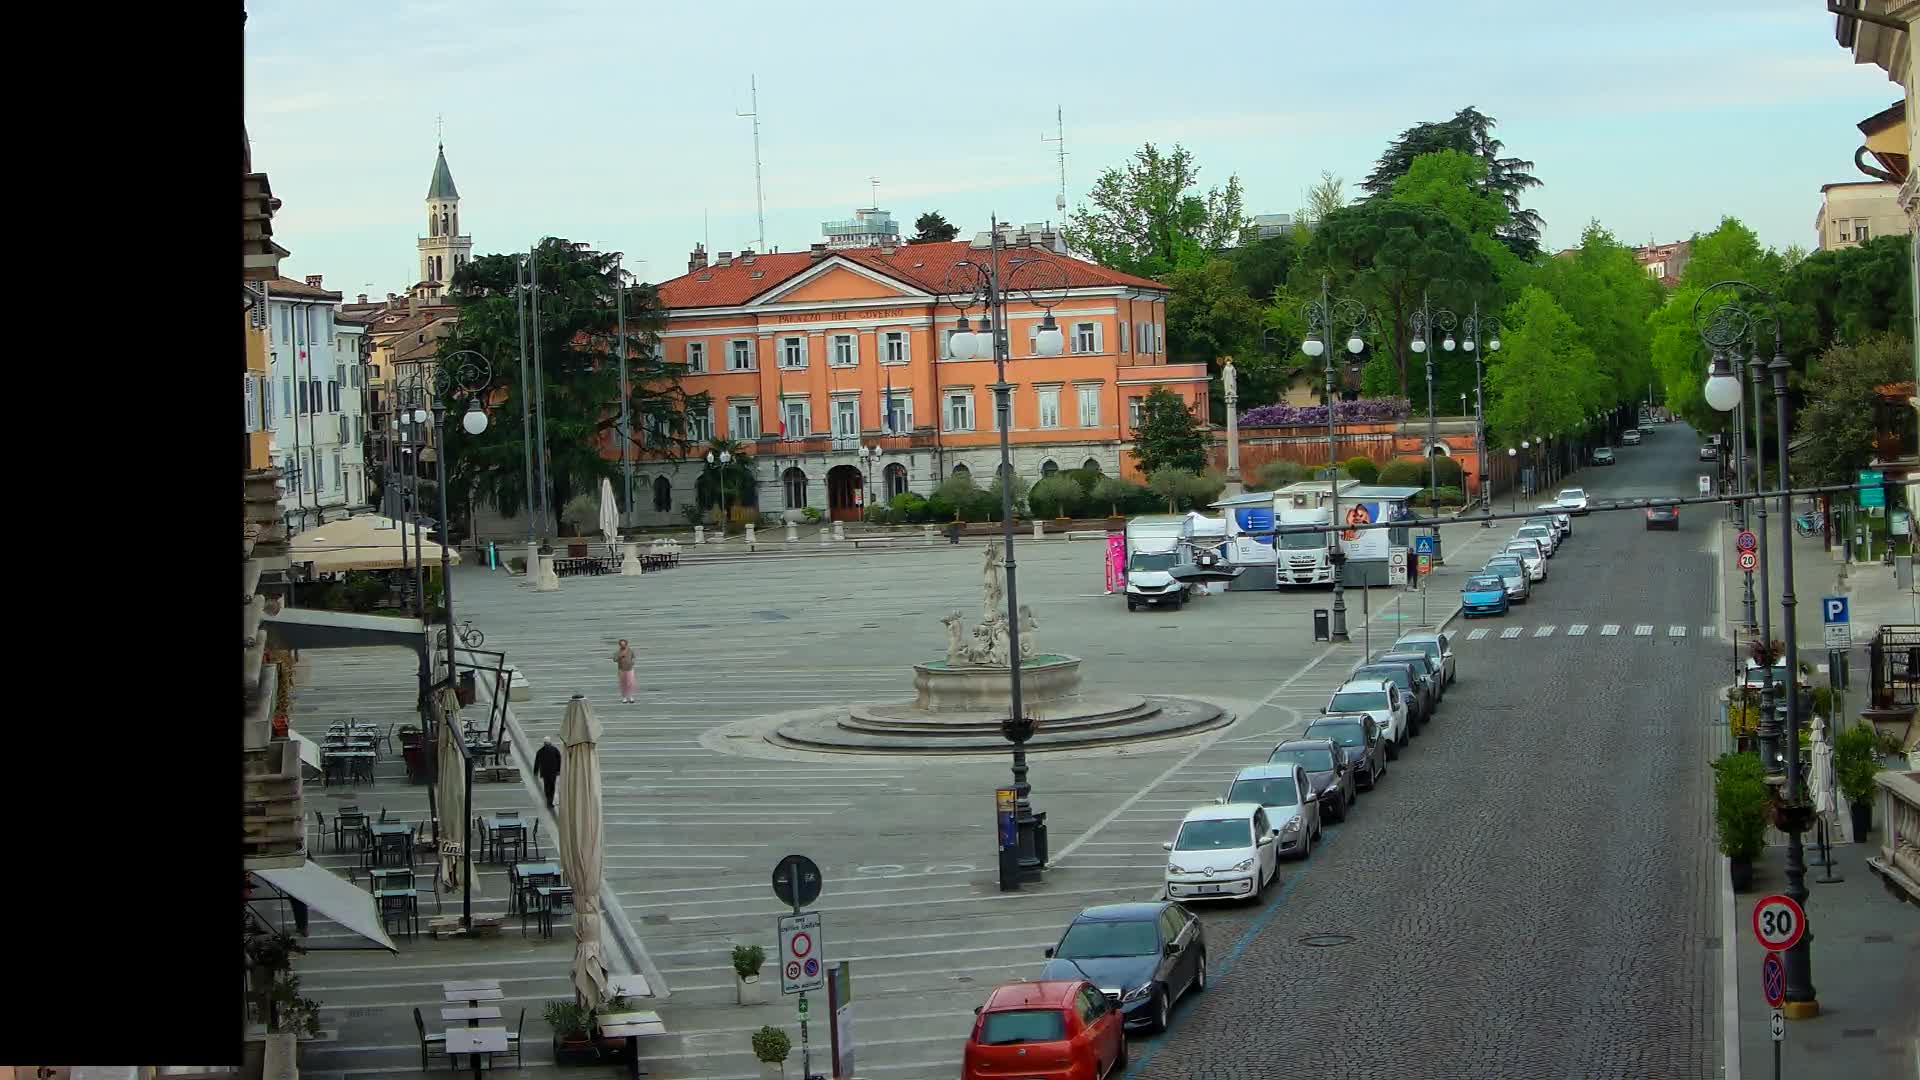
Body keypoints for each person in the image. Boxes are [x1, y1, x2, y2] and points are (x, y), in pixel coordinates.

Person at [534, 737, 563, 811]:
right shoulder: (555, 750)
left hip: (545, 772)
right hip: (553, 772)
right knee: (552, 787)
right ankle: (550, 802)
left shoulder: (540, 751)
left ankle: (548, 801)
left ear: (544, 743)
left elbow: (537, 762)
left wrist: (535, 771)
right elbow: (560, 760)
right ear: (550, 742)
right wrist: (559, 770)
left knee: (546, 787)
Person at [613, 639, 636, 703]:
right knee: (623, 684)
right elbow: (614, 660)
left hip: (630, 669)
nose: (623, 645)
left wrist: (632, 662)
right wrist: (620, 657)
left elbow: (633, 657)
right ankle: (624, 697)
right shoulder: (617, 652)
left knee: (630, 683)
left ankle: (631, 696)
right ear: (619, 645)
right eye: (621, 644)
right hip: (621, 670)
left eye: (624, 644)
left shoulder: (630, 650)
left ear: (626, 644)